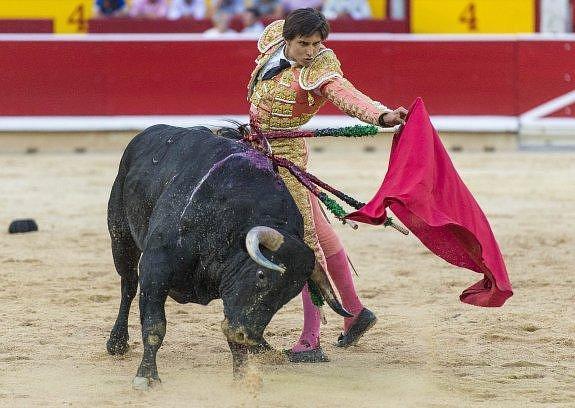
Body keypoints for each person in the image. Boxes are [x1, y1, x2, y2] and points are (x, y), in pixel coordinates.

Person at [247, 8, 407, 362]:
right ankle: (353, 312)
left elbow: (347, 95)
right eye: (304, 43)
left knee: (305, 245)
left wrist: (381, 115)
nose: (310, 50)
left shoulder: (321, 68)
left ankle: (310, 338)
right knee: (319, 231)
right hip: (257, 148)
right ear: (287, 39)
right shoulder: (274, 38)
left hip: (287, 159)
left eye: (317, 43)